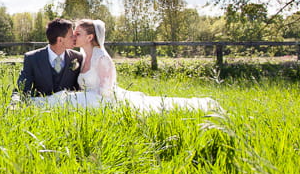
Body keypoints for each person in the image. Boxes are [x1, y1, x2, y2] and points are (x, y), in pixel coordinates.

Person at [39, 19, 221, 113]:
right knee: (64, 98)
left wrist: (83, 99)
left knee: (69, 99)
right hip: (89, 98)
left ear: (89, 37)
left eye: (78, 33)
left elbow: (105, 93)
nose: (74, 36)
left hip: (103, 101)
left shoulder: (102, 59)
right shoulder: (82, 56)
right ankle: (34, 103)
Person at [14, 18, 84, 100]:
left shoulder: (77, 57)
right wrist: (14, 104)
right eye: (71, 36)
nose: (74, 38)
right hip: (41, 108)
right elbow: (21, 89)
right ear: (60, 40)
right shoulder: (32, 58)